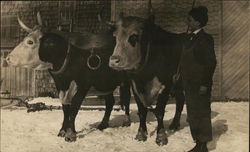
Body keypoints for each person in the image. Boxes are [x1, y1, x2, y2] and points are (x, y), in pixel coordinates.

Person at [180, 6, 217, 152]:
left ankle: (203, 145)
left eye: (189, 19)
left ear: (197, 22)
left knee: (201, 112)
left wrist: (205, 84)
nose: (187, 21)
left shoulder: (205, 39)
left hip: (200, 84)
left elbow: (210, 63)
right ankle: (198, 141)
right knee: (193, 112)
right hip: (189, 83)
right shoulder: (190, 38)